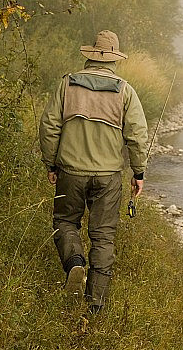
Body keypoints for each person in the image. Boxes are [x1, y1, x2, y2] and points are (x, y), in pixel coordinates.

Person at [39, 30, 148, 312]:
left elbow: (49, 126)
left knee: (64, 222)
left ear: (91, 56)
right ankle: (96, 303)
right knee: (103, 236)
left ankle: (75, 262)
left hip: (71, 172)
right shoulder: (125, 90)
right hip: (108, 176)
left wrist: (51, 163)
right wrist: (139, 172)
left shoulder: (67, 84)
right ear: (114, 59)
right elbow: (137, 135)